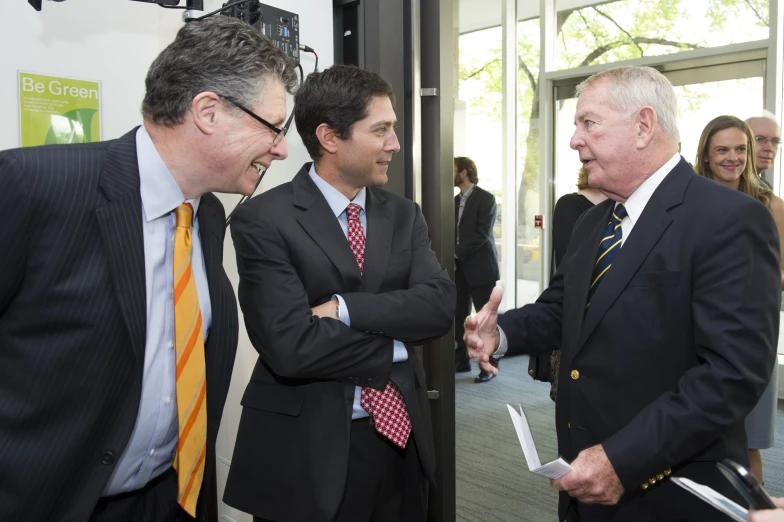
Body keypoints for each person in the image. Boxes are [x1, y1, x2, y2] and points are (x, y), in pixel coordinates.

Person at [0, 17, 297, 522]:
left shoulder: (206, 214)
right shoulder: (35, 185)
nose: (282, 148)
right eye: (274, 127)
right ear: (207, 111)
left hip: (168, 499)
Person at [464, 65, 780, 522]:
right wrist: (502, 333)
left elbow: (732, 373)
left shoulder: (729, 219)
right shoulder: (595, 220)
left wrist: (623, 458)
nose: (574, 140)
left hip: (670, 491)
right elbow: (563, 308)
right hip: (583, 478)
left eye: (587, 123)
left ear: (643, 126)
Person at [222, 64, 455, 522]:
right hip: (306, 455)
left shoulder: (404, 215)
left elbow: (440, 306)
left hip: (401, 442)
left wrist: (344, 309)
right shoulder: (264, 219)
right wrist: (397, 344)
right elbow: (290, 345)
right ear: (330, 137)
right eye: (381, 130)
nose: (395, 144)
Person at [694, 115, 784, 485]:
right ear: (706, 155)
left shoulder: (770, 205)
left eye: (740, 149)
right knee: (693, 435)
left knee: (747, 443)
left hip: (750, 336)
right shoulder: (689, 201)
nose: (733, 158)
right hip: (696, 331)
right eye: (722, 150)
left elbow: (780, 275)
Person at [537, 167, 606, 401]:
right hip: (581, 313)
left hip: (616, 321)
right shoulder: (570, 204)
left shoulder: (627, 203)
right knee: (575, 401)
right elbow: (570, 262)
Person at [453, 156, 501, 383]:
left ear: (463, 172)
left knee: (485, 320)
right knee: (459, 315)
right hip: (458, 269)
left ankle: (488, 366)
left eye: (452, 169)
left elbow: (483, 234)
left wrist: (456, 252)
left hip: (481, 268)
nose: (449, 173)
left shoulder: (487, 199)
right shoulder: (452, 201)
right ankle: (461, 361)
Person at [746, 112, 782, 181]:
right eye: (759, 139)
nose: (769, 148)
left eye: (775, 141)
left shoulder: (764, 186)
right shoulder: (728, 187)